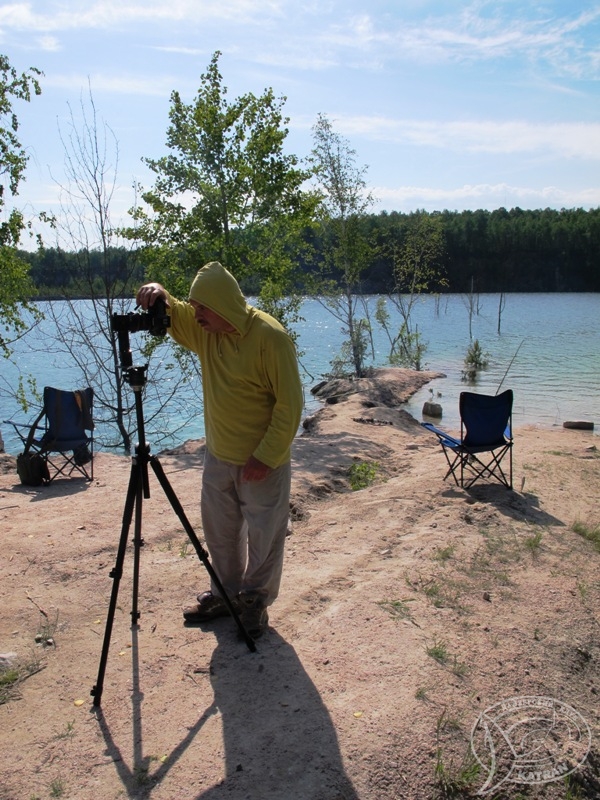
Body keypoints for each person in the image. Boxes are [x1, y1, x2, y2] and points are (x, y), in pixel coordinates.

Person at [136, 262, 303, 638]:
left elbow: (290, 405)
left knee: (264, 537)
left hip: (262, 462)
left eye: (202, 307)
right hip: (218, 457)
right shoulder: (206, 332)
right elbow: (176, 311)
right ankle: (225, 596)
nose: (195, 314)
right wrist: (158, 290)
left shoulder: (270, 338)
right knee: (221, 534)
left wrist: (265, 456)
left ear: (222, 305)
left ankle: (254, 601)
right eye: (195, 306)